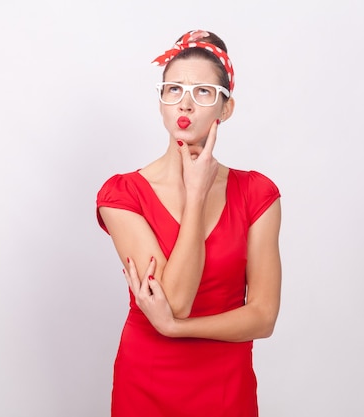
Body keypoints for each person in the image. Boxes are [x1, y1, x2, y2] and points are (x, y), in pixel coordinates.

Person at [96, 29, 282, 417]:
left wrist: (177, 328)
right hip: (147, 379)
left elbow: (263, 317)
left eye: (203, 92)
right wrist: (196, 196)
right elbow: (176, 299)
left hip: (225, 386)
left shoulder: (257, 194)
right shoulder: (122, 194)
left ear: (225, 108)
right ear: (161, 102)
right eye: (174, 90)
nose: (186, 104)